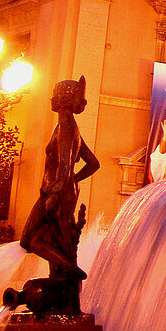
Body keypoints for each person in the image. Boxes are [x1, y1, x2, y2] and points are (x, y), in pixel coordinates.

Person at [19, 77, 100, 281]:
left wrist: (58, 189)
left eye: (55, 93)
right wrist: (73, 180)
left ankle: (69, 269)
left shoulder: (66, 126)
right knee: (51, 239)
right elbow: (93, 163)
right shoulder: (71, 127)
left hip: (55, 192)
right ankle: (63, 272)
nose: (51, 98)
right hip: (61, 189)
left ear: (64, 98)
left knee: (30, 239)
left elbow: (65, 162)